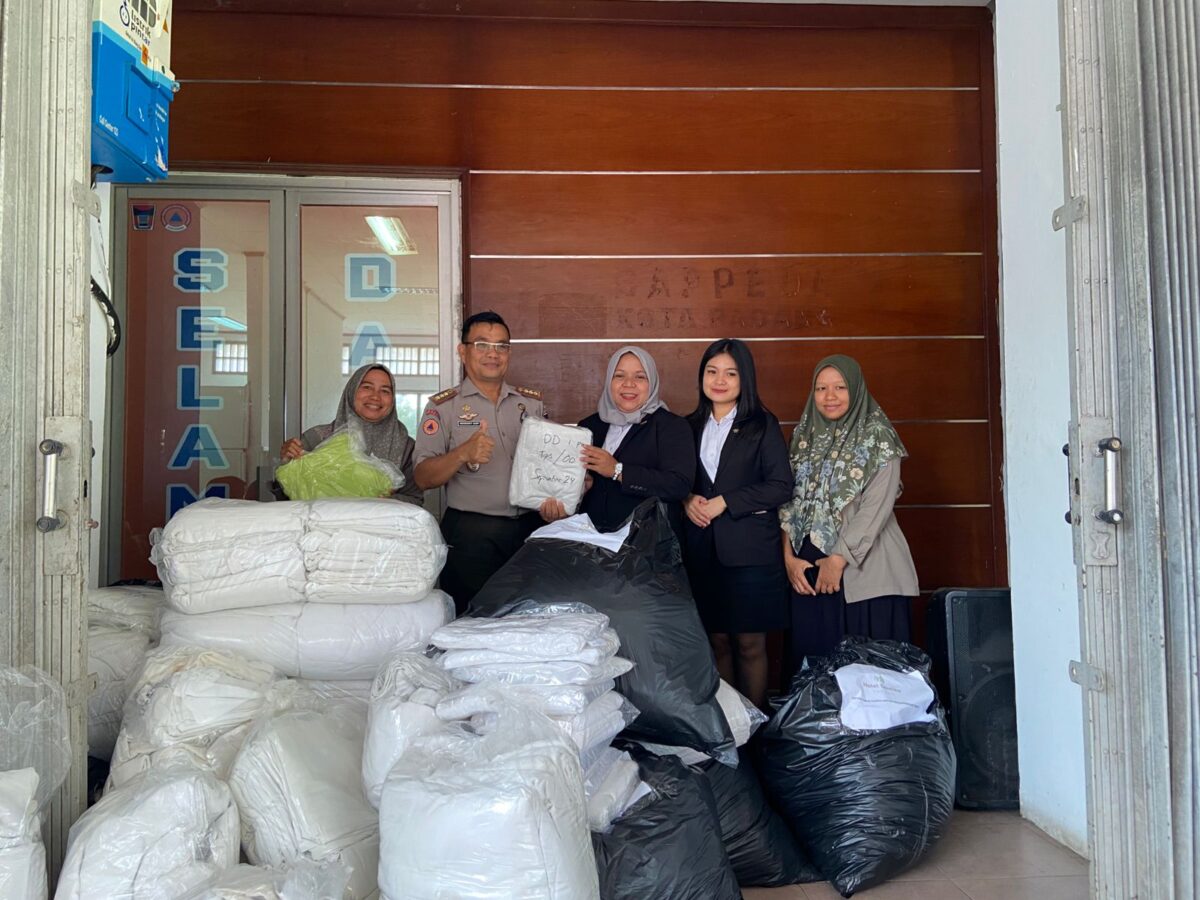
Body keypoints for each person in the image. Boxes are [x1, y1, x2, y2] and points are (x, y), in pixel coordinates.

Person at [413, 310, 563, 613]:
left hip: (530, 532)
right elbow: (422, 477)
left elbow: (551, 464)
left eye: (501, 346)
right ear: (463, 351)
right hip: (472, 536)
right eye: (482, 345)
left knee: (530, 621)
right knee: (473, 623)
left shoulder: (530, 404)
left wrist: (563, 491)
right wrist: (462, 454)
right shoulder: (444, 407)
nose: (493, 354)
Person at [780, 354, 919, 666]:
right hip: (809, 571)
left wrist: (838, 559)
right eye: (821, 388)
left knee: (867, 676)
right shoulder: (803, 436)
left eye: (840, 387)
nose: (829, 396)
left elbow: (875, 507)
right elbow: (789, 502)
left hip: (863, 569)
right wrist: (787, 558)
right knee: (815, 672)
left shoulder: (878, 437)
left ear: (856, 389)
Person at [682, 339, 792, 709]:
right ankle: (731, 724)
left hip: (750, 554)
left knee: (749, 644)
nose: (720, 380)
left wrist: (726, 501)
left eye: (730, 373)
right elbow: (676, 480)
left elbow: (781, 486)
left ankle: (756, 726)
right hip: (702, 552)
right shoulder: (688, 426)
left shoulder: (762, 425)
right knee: (716, 642)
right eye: (712, 372)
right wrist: (686, 499)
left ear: (745, 379)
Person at [577, 346, 695, 544]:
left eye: (640, 377)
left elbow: (678, 485)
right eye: (619, 376)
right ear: (609, 381)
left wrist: (618, 471)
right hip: (591, 544)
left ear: (652, 382)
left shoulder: (671, 426)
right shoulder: (589, 426)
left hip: (648, 549)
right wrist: (577, 491)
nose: (629, 384)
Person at [278, 363, 423, 505]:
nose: (375, 396)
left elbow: (415, 500)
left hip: (384, 521)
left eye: (385, 391)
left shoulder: (406, 447)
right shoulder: (317, 438)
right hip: (321, 520)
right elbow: (287, 498)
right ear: (351, 391)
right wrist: (287, 461)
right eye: (367, 387)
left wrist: (385, 501)